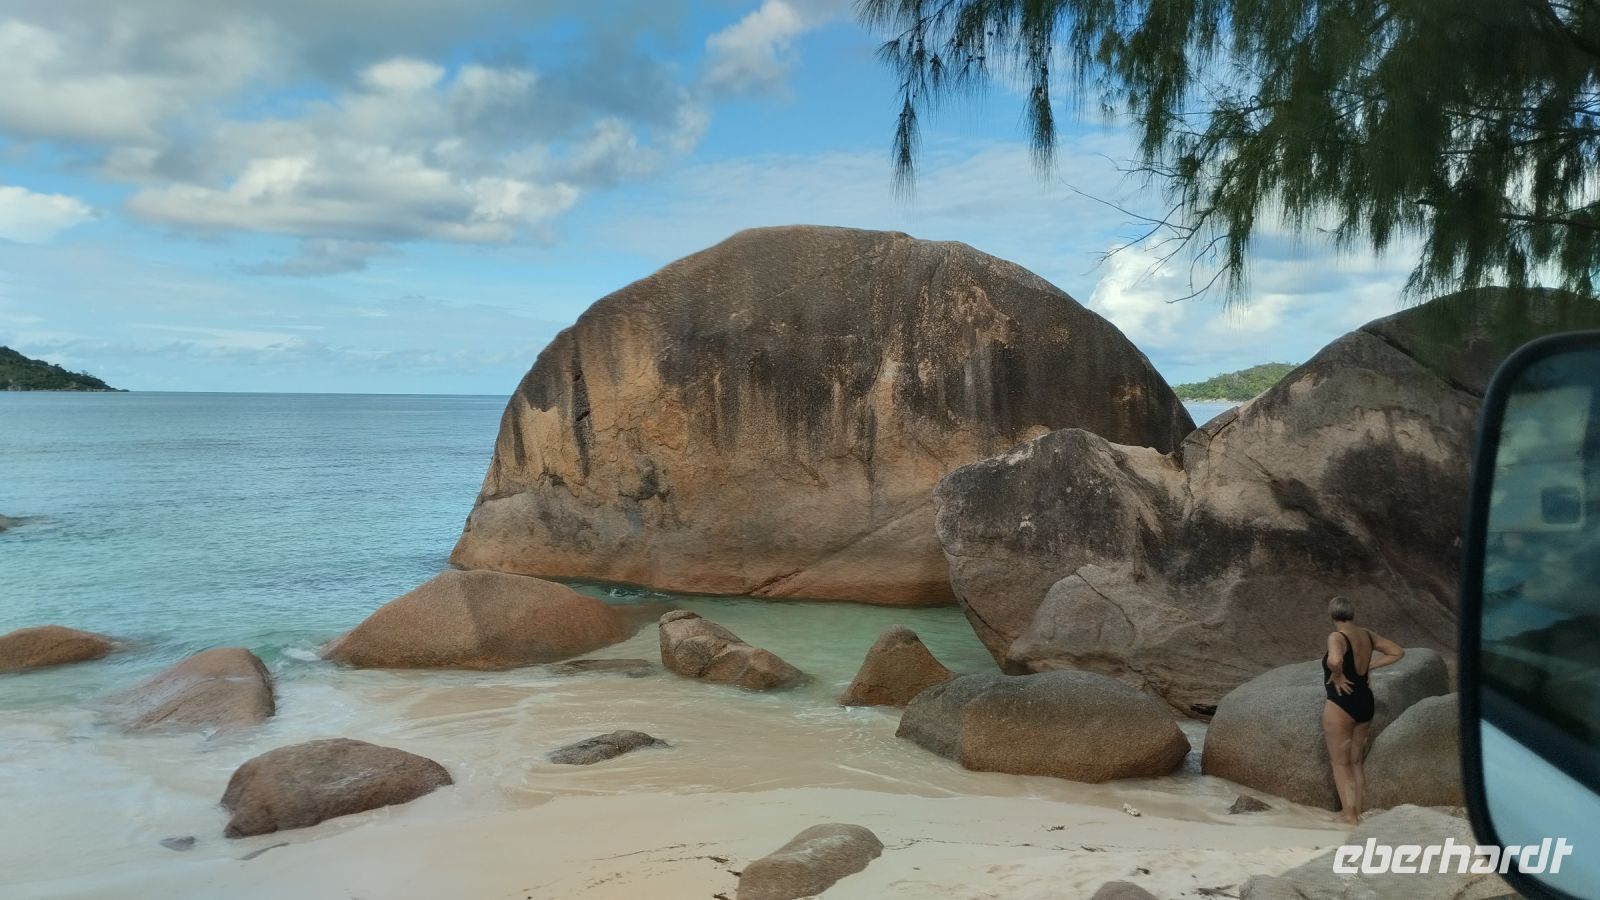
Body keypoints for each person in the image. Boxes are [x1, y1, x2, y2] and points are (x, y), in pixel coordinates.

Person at [1321, 595, 1405, 825]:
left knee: (1340, 764)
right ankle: (1355, 814)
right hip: (1365, 701)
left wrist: (1337, 675)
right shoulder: (1366, 634)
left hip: (1341, 703)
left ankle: (1349, 817)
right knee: (1356, 762)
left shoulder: (1336, 636)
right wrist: (1371, 666)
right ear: (1352, 613)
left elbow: (1335, 660)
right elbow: (1397, 651)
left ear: (1332, 614)